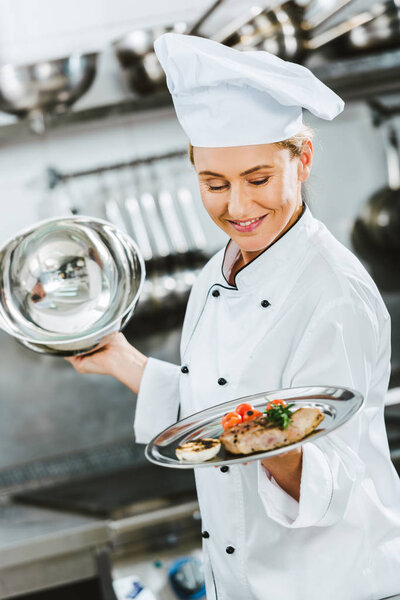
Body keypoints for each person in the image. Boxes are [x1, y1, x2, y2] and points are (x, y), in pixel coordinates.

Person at [66, 33, 400, 600]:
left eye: (258, 179)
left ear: (304, 158)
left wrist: (274, 442)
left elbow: (333, 482)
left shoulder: (333, 293)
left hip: (335, 587)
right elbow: (220, 404)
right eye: (214, 184)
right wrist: (127, 363)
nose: (238, 208)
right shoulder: (215, 275)